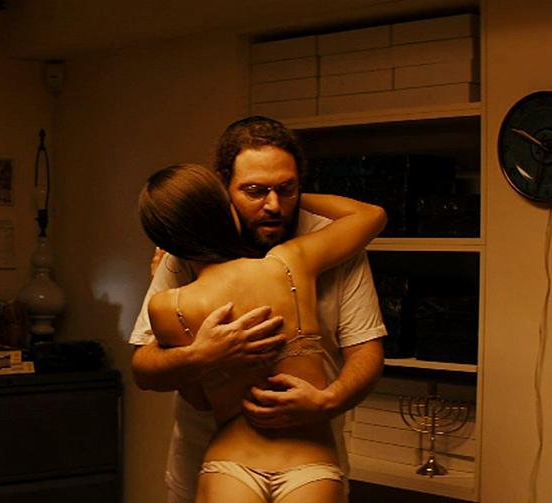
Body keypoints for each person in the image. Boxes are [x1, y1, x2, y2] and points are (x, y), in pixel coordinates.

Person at [129, 116, 388, 502]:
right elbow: (144, 367)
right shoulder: (189, 260)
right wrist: (201, 356)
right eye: (254, 191)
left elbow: (367, 350)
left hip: (309, 447)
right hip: (208, 456)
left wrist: (329, 400)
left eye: (286, 188)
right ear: (224, 190)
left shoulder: (319, 239)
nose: (273, 205)